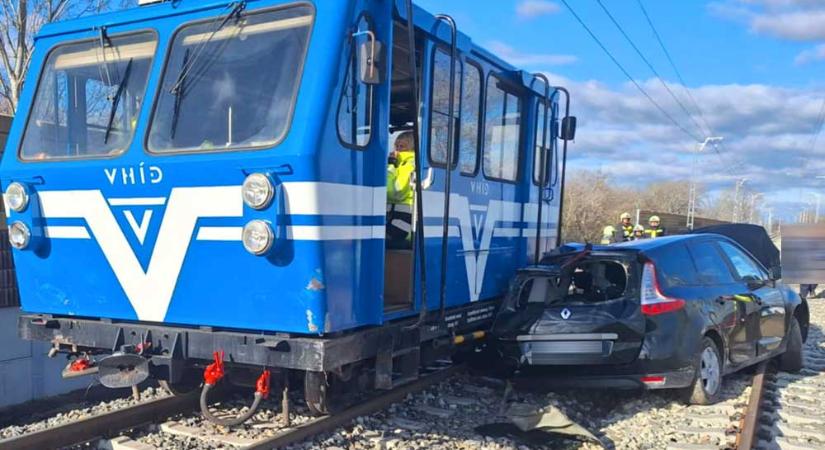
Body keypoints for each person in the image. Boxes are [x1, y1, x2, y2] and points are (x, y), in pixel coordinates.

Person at [387, 131, 415, 248]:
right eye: (396, 146)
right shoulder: (399, 164)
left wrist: (391, 166)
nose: (397, 149)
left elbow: (395, 192)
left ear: (411, 148)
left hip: (403, 222)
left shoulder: (409, 164)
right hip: (392, 218)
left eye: (402, 146)